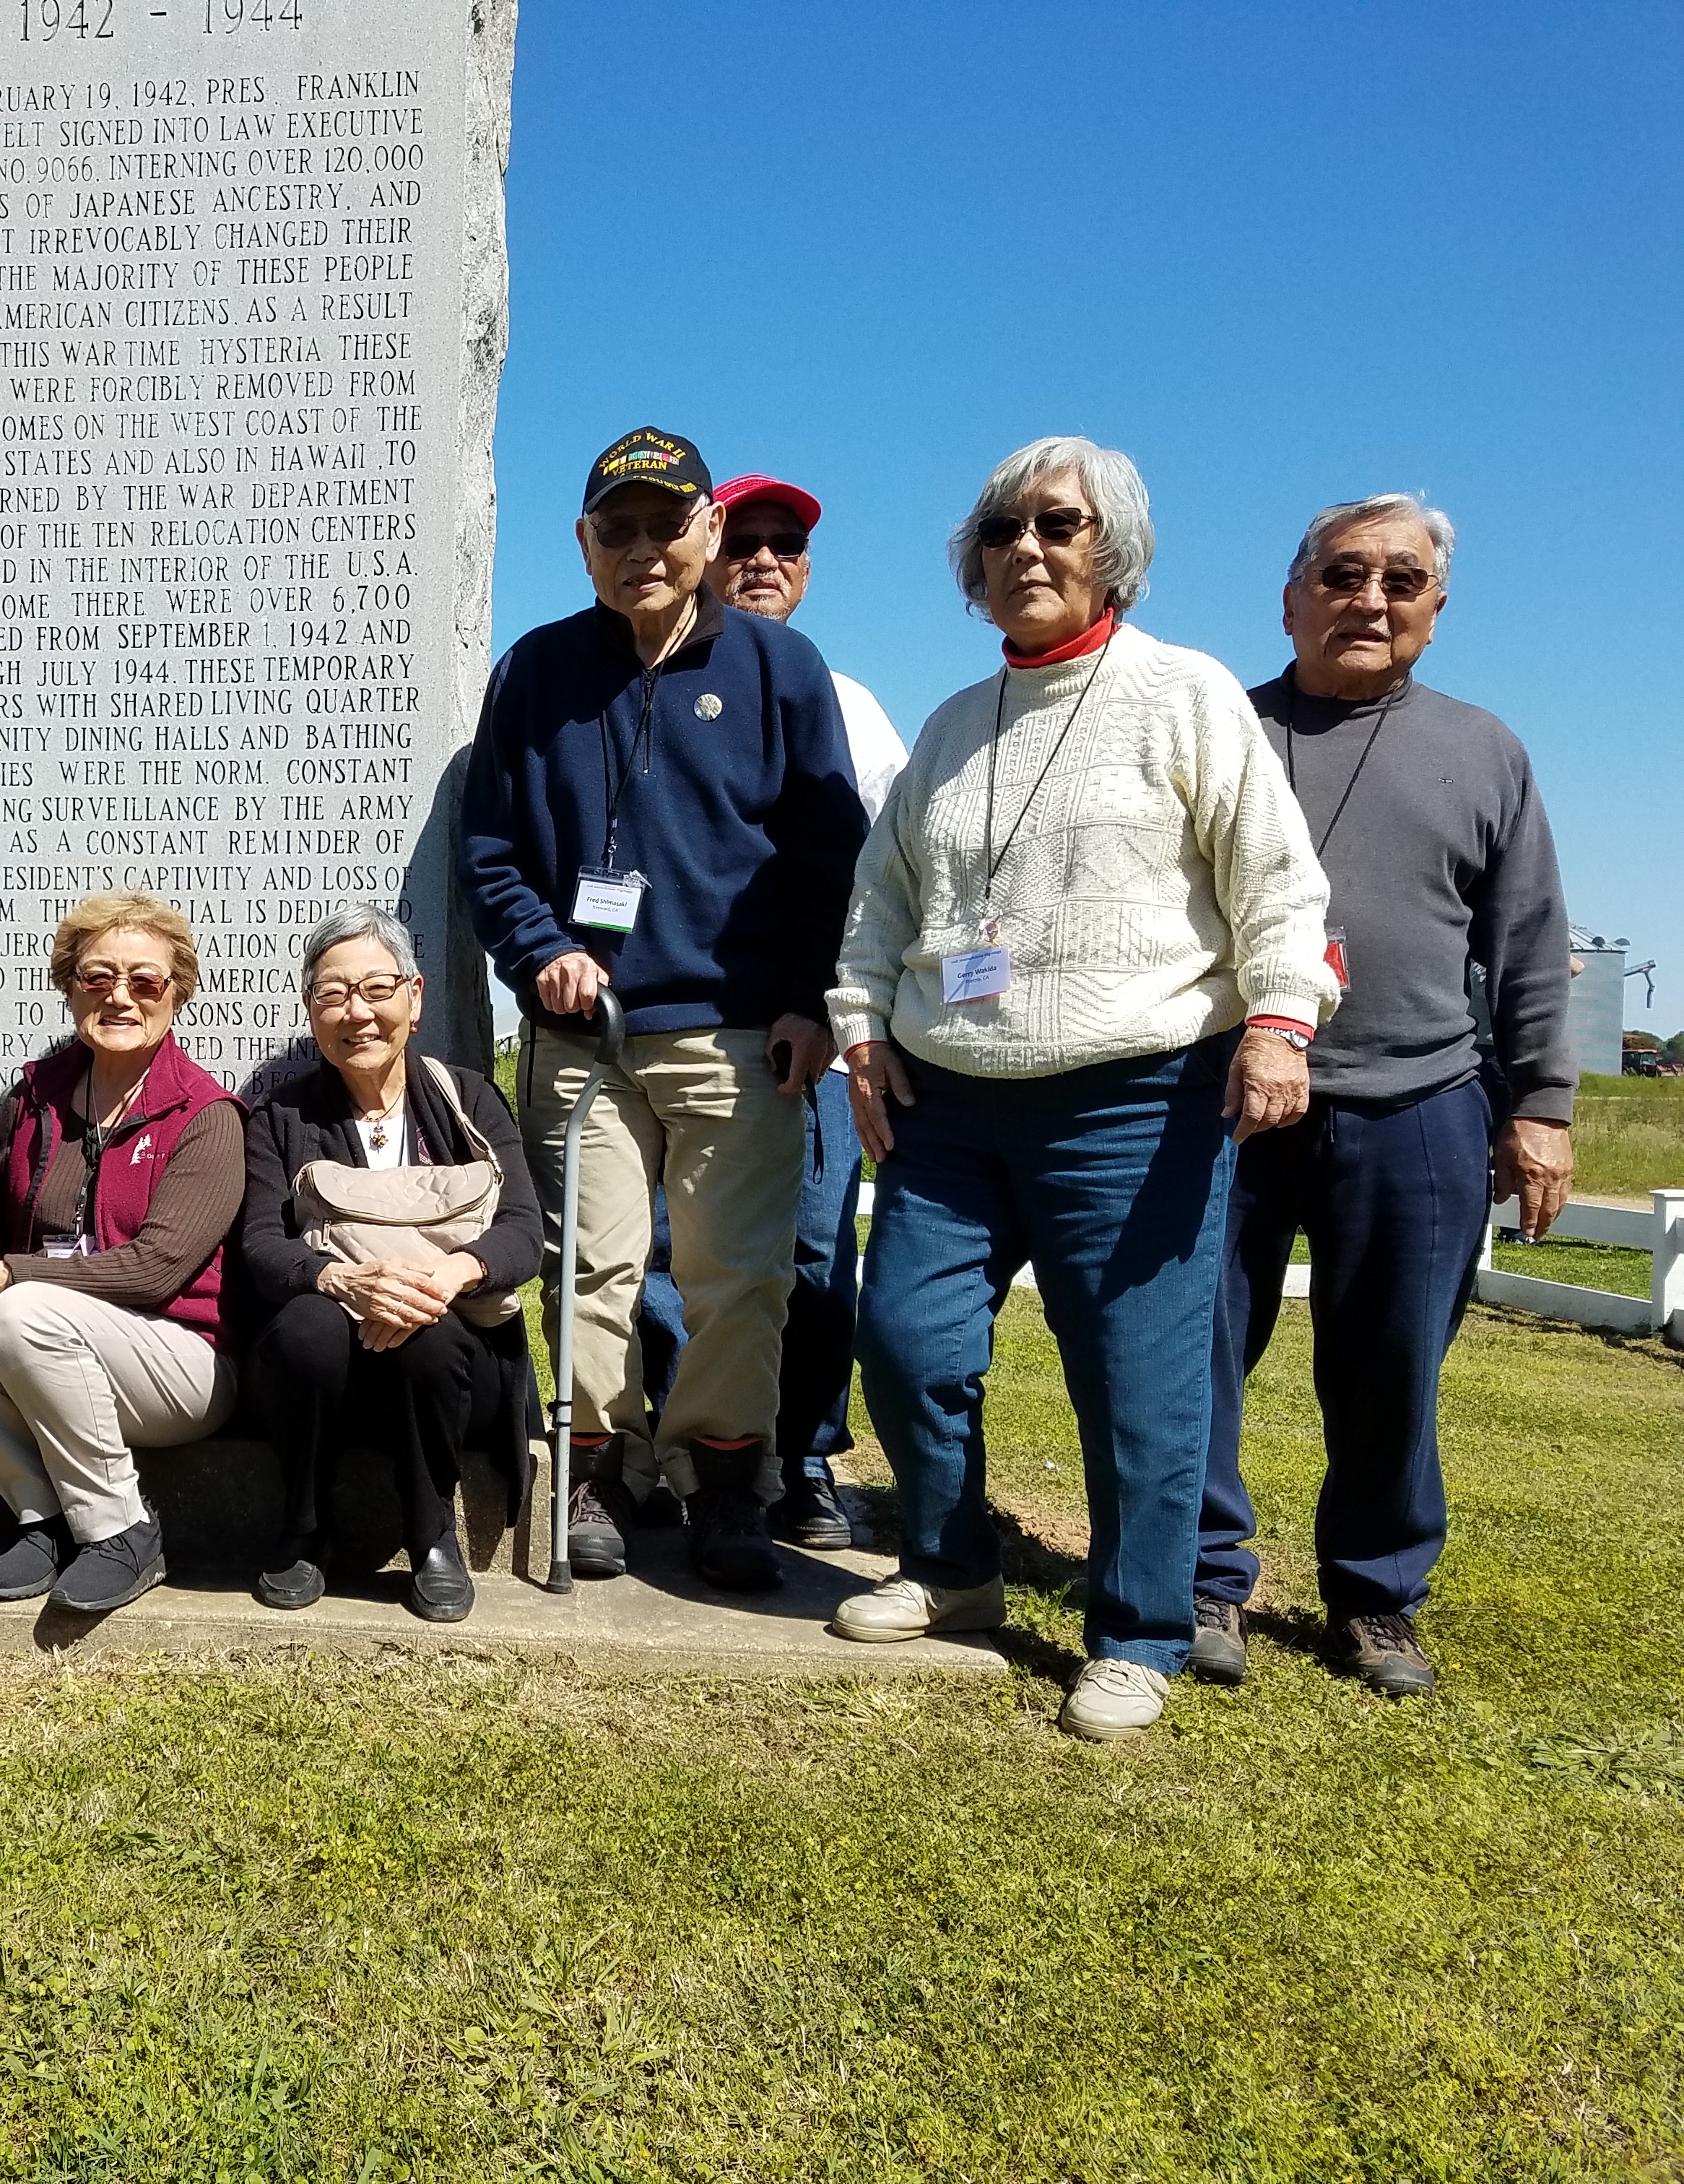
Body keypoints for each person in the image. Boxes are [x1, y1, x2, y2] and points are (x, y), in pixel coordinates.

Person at [825, 436, 1338, 1743]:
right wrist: (861, 1030)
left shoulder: (1184, 693)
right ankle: (950, 1567)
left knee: (1134, 1372)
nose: (1027, 549)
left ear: (1111, 549)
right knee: (903, 1331)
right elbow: (882, 906)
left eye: (1057, 524)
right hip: (948, 1094)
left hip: (1135, 1089)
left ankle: (1138, 1627)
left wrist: (1279, 1022)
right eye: (1002, 529)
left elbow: (1276, 878)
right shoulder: (949, 726)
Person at [459, 425, 866, 1593]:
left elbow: (825, 857)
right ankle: (594, 1468)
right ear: (584, 544)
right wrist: (539, 952)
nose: (641, 547)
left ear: (707, 532)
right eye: (616, 528)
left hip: (737, 1030)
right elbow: (490, 849)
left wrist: (806, 1001)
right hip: (578, 1035)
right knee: (589, 1264)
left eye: (664, 523)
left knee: (737, 1273)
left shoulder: (782, 671)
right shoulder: (538, 669)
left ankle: (724, 1477)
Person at [1196, 496, 1574, 1699]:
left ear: (1434, 609)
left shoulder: (1484, 749)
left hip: (1417, 1097)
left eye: (1399, 580)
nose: (1370, 599)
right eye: (1343, 573)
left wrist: (1542, 1103)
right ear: (1292, 592)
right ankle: (1198, 1575)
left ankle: (1373, 1596)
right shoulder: (1217, 729)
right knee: (1189, 1347)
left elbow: (1525, 940)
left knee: (1392, 1364)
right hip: (1223, 1098)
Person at [633, 472, 911, 1549]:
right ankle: (683, 1453)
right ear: (703, 544)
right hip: (680, 1029)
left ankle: (799, 1460)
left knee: (808, 1254)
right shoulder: (649, 678)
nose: (761, 559)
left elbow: (880, 877)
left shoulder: (848, 702)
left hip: (818, 1037)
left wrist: (846, 1017)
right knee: (668, 1250)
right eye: (741, 538)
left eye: (783, 544)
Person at [0, 891, 241, 1615]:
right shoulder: (33, 1096)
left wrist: (7, 1273)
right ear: (69, 987)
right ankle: (41, 1518)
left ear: (175, 993)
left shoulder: (206, 1116)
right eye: (97, 978)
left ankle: (122, 1530)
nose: (120, 996)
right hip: (47, 1340)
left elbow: (158, 1270)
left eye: (145, 981)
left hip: (180, 1362)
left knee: (25, 1307)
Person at [238, 906, 543, 1622]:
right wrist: (345, 1279)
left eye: (377, 989)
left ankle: (432, 1529)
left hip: (453, 1367)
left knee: (428, 1331)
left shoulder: (467, 1099)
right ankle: (307, 1526)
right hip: (330, 1369)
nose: (358, 1013)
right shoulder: (280, 1118)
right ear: (312, 1012)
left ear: (416, 996)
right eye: (333, 994)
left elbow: (525, 1232)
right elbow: (260, 1244)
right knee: (308, 1325)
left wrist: (446, 1277)